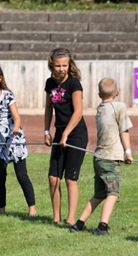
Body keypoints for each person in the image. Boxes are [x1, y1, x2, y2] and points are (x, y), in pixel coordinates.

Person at [70, 78, 133, 235]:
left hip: (98, 158)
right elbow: (124, 131)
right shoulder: (119, 107)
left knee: (99, 194)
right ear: (117, 92)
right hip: (110, 159)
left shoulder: (101, 108)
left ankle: (79, 223)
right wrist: (128, 152)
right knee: (113, 193)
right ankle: (102, 226)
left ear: (99, 94)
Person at [0, 63, 37, 216]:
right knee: (0, 177)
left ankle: (32, 209)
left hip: (14, 141)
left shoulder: (8, 95)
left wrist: (15, 129)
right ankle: (1, 210)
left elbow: (17, 118)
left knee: (22, 176)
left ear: (0, 78)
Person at [44, 48, 88, 226]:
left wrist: (67, 134)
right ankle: (56, 217)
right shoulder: (49, 83)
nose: (61, 69)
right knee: (53, 177)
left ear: (69, 65)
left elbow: (78, 112)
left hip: (76, 135)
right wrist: (47, 131)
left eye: (64, 65)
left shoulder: (74, 83)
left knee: (71, 178)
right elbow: (48, 109)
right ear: (51, 65)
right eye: (57, 65)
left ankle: (70, 219)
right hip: (59, 134)